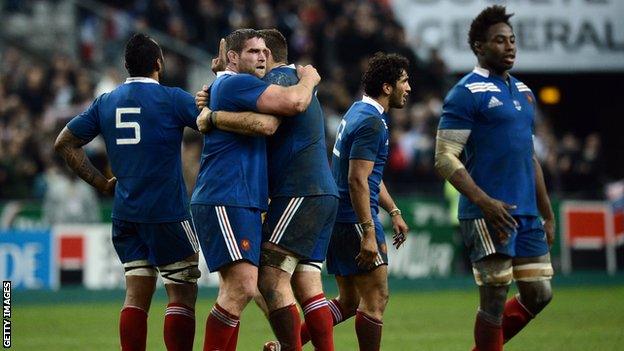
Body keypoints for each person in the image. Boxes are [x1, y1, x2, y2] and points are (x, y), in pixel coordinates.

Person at [54, 33, 201, 351]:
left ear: (126, 66)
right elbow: (214, 124)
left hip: (125, 214)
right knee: (182, 292)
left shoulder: (106, 101)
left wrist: (100, 183)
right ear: (158, 63)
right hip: (167, 211)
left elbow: (64, 142)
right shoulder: (173, 99)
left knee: (136, 293)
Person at [198, 28, 339, 351]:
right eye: (252, 53)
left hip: (298, 190)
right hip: (317, 190)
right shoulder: (269, 81)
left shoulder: (284, 81)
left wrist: (213, 111)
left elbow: (277, 116)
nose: (260, 58)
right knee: (306, 283)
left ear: (271, 57)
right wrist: (217, 82)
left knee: (268, 279)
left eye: (262, 53)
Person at [434, 6, 555, 351]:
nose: (510, 46)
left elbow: (529, 157)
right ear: (479, 46)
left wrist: (546, 212)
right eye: (499, 41)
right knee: (495, 297)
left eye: (512, 40)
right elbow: (444, 157)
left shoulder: (525, 93)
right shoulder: (465, 93)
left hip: (527, 213)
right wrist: (484, 202)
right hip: (487, 213)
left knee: (540, 293)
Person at [325, 52, 410, 351]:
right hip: (355, 218)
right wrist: (369, 232)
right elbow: (357, 180)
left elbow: (368, 173)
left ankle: (287, 344)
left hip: (340, 217)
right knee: (376, 299)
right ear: (387, 87)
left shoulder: (357, 112)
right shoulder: (371, 123)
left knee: (348, 302)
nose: (408, 88)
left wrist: (393, 210)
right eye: (404, 81)